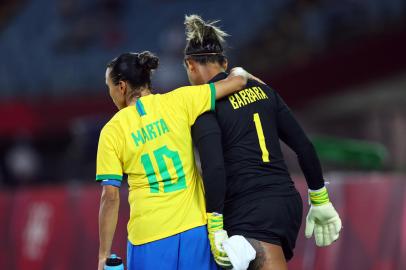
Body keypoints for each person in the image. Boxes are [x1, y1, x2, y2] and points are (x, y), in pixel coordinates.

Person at [183, 15, 342, 270]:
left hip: (249, 209)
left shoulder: (204, 105)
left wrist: (215, 224)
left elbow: (214, 169)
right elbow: (303, 146)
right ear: (224, 63)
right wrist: (320, 197)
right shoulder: (264, 90)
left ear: (190, 65)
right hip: (287, 203)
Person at [96, 50, 258, 270]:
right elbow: (237, 82)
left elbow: (110, 197)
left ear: (122, 87)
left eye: (109, 87)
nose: (111, 94)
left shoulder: (112, 131)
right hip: (195, 230)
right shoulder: (180, 100)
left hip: (149, 238)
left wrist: (103, 254)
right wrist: (238, 71)